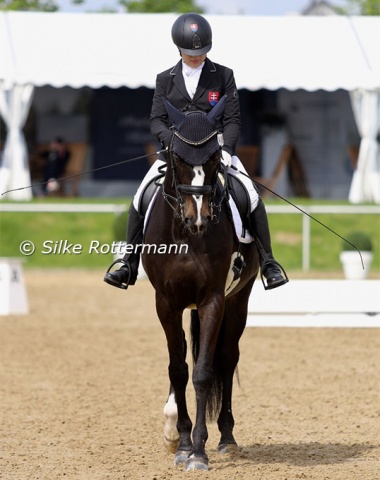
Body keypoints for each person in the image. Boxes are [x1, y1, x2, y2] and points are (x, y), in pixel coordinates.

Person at [104, 12, 288, 291]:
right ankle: (128, 263)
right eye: (191, 53)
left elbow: (233, 119)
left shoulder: (223, 75)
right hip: (176, 156)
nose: (196, 57)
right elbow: (156, 120)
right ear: (178, 49)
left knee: (250, 196)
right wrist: (173, 144)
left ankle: (269, 263)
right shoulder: (165, 79)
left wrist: (225, 149)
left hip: (215, 154)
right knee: (140, 197)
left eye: (201, 52)